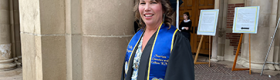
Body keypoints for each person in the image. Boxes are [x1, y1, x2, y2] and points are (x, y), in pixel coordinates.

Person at [121, 0, 194, 80]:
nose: (146, 8)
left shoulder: (176, 40)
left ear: (164, 7)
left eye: (153, 2)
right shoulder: (136, 38)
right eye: (142, 3)